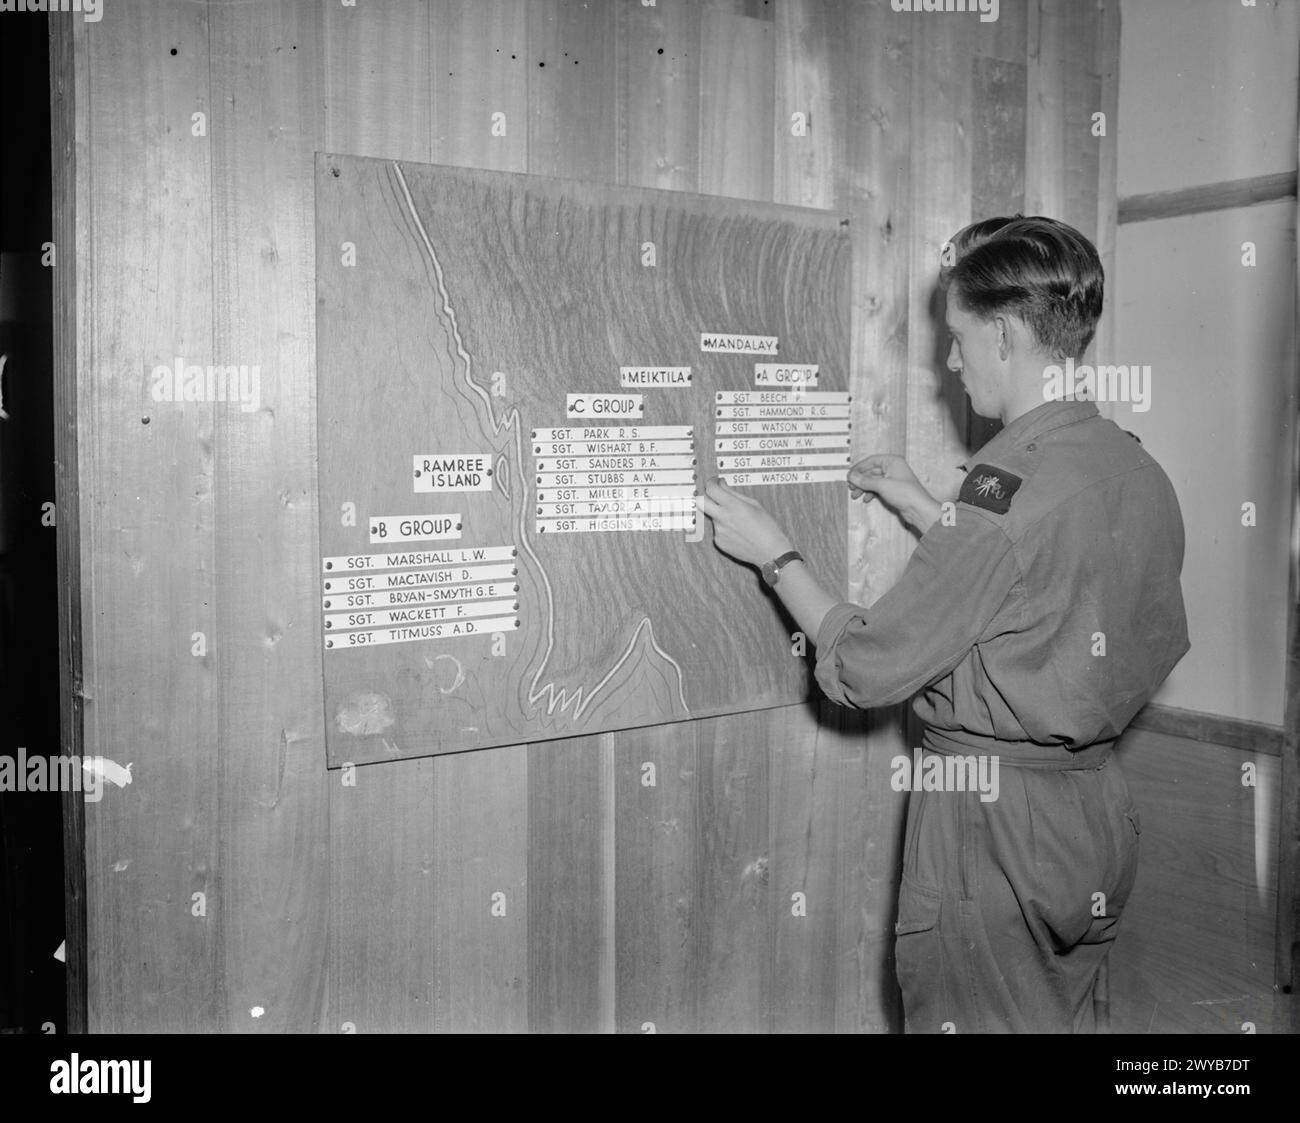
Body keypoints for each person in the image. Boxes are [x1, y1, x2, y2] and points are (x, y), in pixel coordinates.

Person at [695, 215, 1189, 1034]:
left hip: (992, 835)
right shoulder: (1130, 463)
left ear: (1002, 334)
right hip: (1092, 818)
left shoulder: (1002, 488)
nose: (951, 363)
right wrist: (931, 508)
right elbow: (1040, 582)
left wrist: (774, 554)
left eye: (957, 338)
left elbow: (869, 666)